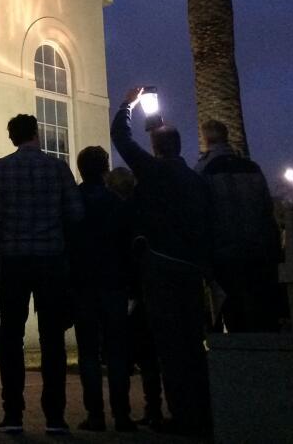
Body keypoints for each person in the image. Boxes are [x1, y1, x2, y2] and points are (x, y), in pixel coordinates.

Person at [111, 87, 211, 437]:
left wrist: (128, 104)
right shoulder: (196, 181)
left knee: (169, 345)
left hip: (161, 266)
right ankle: (202, 411)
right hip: (191, 269)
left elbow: (120, 137)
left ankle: (183, 415)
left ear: (155, 147)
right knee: (193, 343)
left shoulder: (152, 172)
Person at [0, 114, 83, 436]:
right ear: (36, 134)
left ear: (12, 137)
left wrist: (5, 244)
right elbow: (75, 214)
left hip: (13, 260)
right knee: (52, 338)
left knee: (10, 336)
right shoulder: (57, 168)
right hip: (50, 258)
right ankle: (54, 415)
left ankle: (12, 412)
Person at [195, 119, 281, 333]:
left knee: (234, 313)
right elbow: (266, 208)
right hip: (258, 250)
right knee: (262, 311)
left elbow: (200, 213)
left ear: (206, 139)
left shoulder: (204, 169)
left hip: (224, 254)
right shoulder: (251, 168)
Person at [72, 146, 136, 432]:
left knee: (88, 352)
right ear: (104, 168)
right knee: (117, 351)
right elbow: (127, 243)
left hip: (84, 283)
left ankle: (95, 414)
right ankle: (121, 415)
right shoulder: (117, 202)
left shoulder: (74, 200)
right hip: (113, 281)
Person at [106, 167, 163, 427]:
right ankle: (153, 407)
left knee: (126, 353)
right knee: (149, 355)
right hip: (145, 289)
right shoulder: (144, 212)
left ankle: (124, 411)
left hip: (126, 289)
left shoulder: (118, 214)